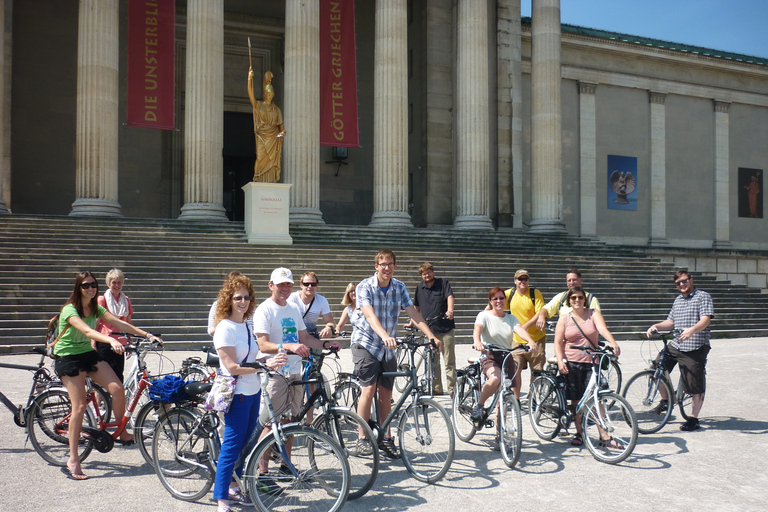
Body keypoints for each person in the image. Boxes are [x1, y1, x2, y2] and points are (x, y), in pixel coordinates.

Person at [52, 271, 161, 481]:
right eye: (85, 286)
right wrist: (110, 340)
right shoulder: (69, 309)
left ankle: (121, 431)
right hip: (68, 357)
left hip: (87, 354)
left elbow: (120, 323)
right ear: (78, 288)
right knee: (80, 406)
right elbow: (87, 331)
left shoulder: (96, 307)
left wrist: (147, 334)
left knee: (117, 389)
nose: (90, 289)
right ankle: (73, 458)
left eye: (93, 285)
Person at [253, 267, 341, 489]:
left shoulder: (292, 308)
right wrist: (287, 346)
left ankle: (285, 466)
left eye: (288, 284)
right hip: (274, 372)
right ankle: (262, 474)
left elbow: (304, 338)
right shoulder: (264, 309)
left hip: (295, 371)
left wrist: (325, 344)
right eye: (280, 284)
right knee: (269, 423)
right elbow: (262, 344)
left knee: (292, 420)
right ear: (271, 285)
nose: (285, 288)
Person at [351, 249, 440, 459]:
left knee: (387, 394)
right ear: (376, 266)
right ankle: (361, 438)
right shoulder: (364, 286)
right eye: (383, 264)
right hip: (366, 342)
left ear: (395, 266)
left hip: (388, 347)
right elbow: (370, 316)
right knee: (369, 388)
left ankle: (386, 438)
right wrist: (383, 335)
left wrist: (430, 335)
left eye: (390, 264)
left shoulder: (399, 287)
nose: (387, 268)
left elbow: (413, 313)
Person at [211, 273, 285, 512]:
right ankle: (222, 500)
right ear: (228, 300)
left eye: (247, 297)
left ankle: (235, 486)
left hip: (253, 393)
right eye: (238, 298)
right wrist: (265, 366)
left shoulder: (245, 324)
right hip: (237, 395)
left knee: (245, 446)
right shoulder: (225, 327)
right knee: (231, 447)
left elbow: (253, 356)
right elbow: (231, 367)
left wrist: (274, 357)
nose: (243, 301)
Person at [646, 270, 714, 432]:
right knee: (655, 369)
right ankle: (666, 400)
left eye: (684, 281)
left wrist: (692, 330)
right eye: (678, 283)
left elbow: (706, 319)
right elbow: (671, 322)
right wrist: (655, 326)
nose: (682, 285)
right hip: (676, 345)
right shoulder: (677, 300)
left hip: (695, 346)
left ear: (691, 280)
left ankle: (693, 419)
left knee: (693, 385)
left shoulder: (702, 296)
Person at [554, 286, 621, 447]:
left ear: (585, 299)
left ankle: (604, 435)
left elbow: (603, 329)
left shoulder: (593, 314)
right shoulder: (564, 318)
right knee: (577, 400)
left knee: (596, 398)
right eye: (573, 298)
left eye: (580, 297)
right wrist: (560, 360)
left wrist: (613, 342)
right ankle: (580, 433)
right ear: (569, 301)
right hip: (572, 361)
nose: (577, 300)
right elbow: (558, 342)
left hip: (592, 361)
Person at [472, 287, 536, 450]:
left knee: (505, 398)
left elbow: (519, 330)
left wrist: (530, 340)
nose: (499, 301)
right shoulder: (484, 315)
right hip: (489, 354)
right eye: (495, 299)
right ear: (491, 301)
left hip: (507, 355)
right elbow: (477, 330)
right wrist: (478, 342)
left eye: (501, 298)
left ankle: (499, 436)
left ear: (505, 301)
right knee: (495, 379)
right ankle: (479, 405)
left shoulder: (511, 318)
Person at [405, 262, 456, 397]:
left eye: (428, 272)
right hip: (430, 330)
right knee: (433, 361)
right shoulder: (419, 288)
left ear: (433, 272)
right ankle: (437, 388)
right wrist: (412, 322)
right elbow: (416, 307)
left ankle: (452, 390)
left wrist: (450, 310)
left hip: (446, 328)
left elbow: (450, 296)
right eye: (423, 274)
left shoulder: (443, 283)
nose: (426, 275)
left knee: (449, 361)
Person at [500, 269, 547, 399]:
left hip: (536, 338)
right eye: (520, 279)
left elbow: (539, 312)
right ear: (515, 281)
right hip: (517, 339)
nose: (523, 281)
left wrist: (525, 326)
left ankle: (533, 397)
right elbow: (496, 302)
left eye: (525, 279)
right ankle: (516, 399)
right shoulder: (510, 293)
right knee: (515, 370)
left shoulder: (534, 293)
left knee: (537, 370)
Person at [94, 268, 133, 382]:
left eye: (119, 282)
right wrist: (93, 343)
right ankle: (99, 400)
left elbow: (128, 322)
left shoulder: (126, 300)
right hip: (105, 342)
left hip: (120, 342)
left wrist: (130, 341)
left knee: (118, 376)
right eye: (114, 282)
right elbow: (96, 323)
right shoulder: (102, 299)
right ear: (108, 283)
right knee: (102, 377)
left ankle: (114, 400)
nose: (117, 285)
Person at [248, 68, 286, 183]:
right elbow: (251, 95)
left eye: (272, 94)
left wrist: (281, 134)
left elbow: (282, 128)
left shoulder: (277, 110)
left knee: (272, 163)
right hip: (262, 137)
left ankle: (271, 181)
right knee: (260, 159)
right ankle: (258, 178)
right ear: (264, 94)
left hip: (273, 138)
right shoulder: (258, 106)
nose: (270, 96)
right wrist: (249, 79)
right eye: (268, 94)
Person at [536, 268, 601, 331]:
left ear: (581, 280)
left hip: (584, 339)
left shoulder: (591, 299)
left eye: (574, 280)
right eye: (569, 280)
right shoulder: (561, 297)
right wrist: (541, 316)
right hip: (565, 340)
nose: (571, 283)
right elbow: (546, 309)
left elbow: (598, 321)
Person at [287, 271, 336, 339]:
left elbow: (330, 321)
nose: (310, 286)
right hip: (294, 335)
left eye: (313, 284)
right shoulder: (291, 298)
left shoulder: (321, 300)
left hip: (311, 336)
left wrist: (329, 328)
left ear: (317, 285)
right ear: (301, 285)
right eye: (306, 284)